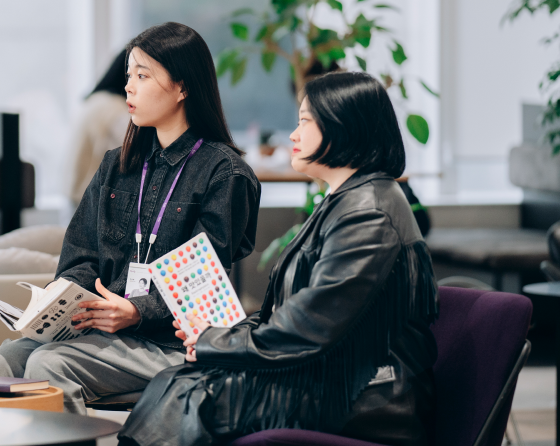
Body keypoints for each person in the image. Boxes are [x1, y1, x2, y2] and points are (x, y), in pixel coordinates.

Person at [118, 72, 439, 446]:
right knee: (182, 381)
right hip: (339, 377)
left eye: (305, 121)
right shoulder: (350, 200)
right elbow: (299, 314)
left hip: (366, 395)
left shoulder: (369, 213)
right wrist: (223, 336)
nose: (293, 134)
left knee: (193, 393)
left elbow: (308, 327)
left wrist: (214, 342)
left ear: (343, 125)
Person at [0, 22, 261, 414]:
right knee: (5, 360)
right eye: (129, 75)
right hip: (104, 332)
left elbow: (201, 281)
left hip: (172, 344)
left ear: (182, 87)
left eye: (143, 76)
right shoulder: (118, 164)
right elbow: (80, 254)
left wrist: (137, 311)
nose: (128, 86)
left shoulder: (224, 173)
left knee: (50, 364)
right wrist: (65, 303)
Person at [67, 49, 132, 205]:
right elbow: (133, 155)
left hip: (79, 199)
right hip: (94, 205)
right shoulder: (115, 110)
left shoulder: (96, 101)